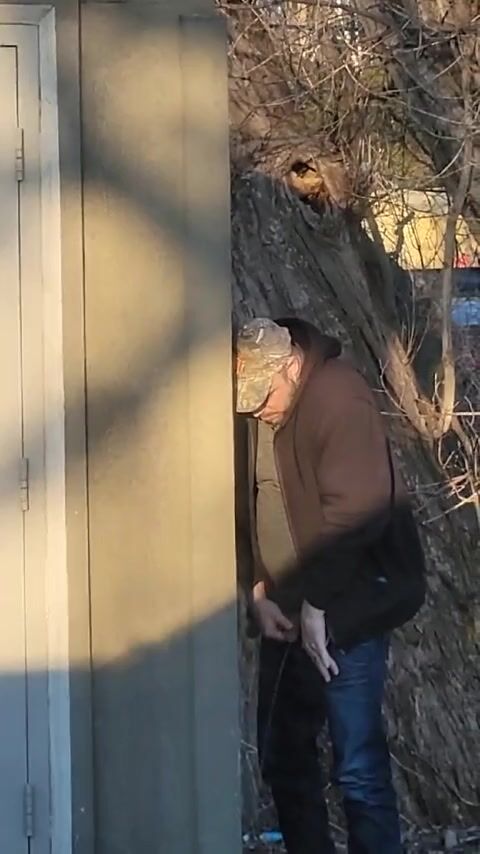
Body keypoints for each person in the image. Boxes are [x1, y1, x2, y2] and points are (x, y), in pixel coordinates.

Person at [235, 316, 426, 854]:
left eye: (264, 397)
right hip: (285, 606)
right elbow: (246, 500)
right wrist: (255, 587)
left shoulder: (339, 398)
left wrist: (318, 606)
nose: (257, 409)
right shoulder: (255, 408)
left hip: (348, 605)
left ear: (292, 367)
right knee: (283, 756)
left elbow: (357, 514)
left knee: (357, 766)